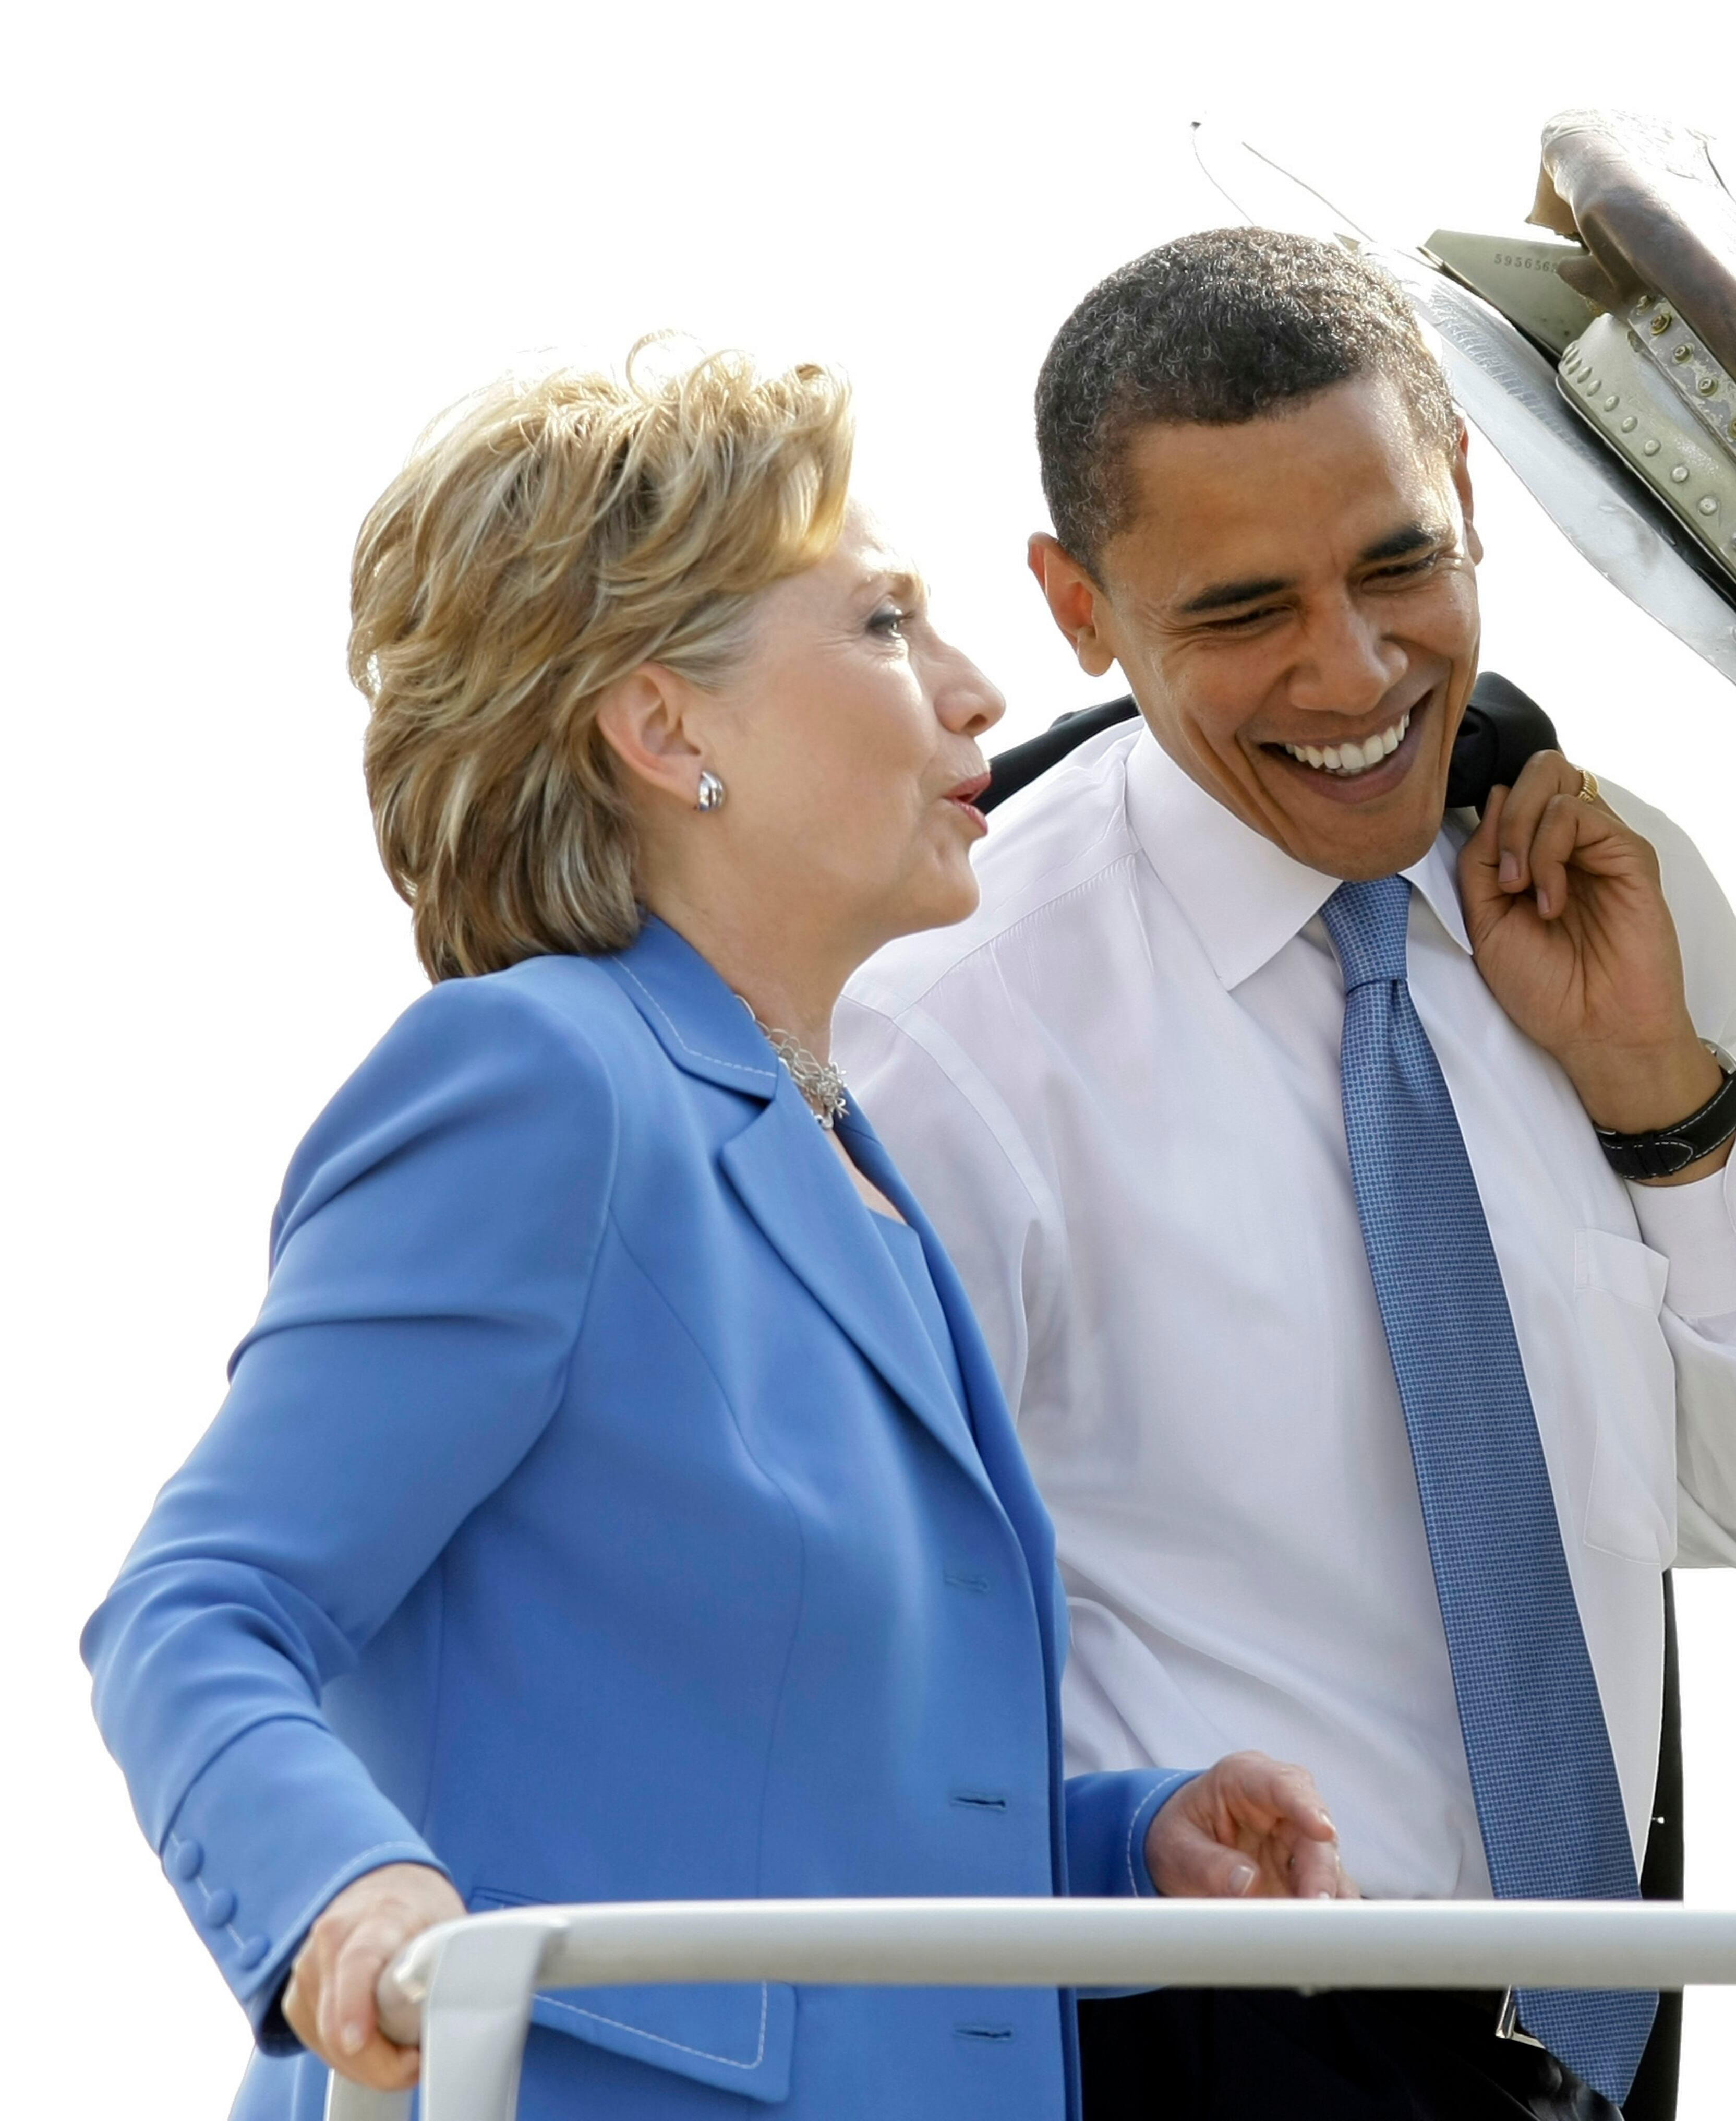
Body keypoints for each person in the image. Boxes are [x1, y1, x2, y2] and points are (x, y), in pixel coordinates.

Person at [82, 339, 1356, 2121]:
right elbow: (198, 1603)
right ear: (667, 725)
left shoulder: (854, 1169)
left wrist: (1126, 1847)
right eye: (889, 625)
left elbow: (804, 1817)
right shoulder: (539, 1080)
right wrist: (343, 1891)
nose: (985, 691)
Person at [836, 232, 1736, 2121]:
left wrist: (1660, 1097)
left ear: (1471, 495)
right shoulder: (947, 1032)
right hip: (1188, 2039)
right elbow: (849, 1668)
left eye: (1400, 562)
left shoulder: (1602, 880)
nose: (1354, 669)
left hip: (1613, 2032)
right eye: (1247, 608)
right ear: (1080, 609)